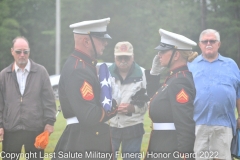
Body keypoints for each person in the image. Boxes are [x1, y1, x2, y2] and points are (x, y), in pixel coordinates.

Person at [52, 18, 118, 160]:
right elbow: (90, 116)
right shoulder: (79, 70)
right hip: (84, 144)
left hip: (86, 139)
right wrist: (112, 106)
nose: (105, 43)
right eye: (101, 39)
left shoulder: (84, 66)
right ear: (86, 41)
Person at [145, 29, 198, 160]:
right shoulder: (174, 78)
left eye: (163, 51)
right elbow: (155, 100)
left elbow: (185, 122)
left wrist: (185, 154)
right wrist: (154, 74)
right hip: (162, 144)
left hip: (170, 148)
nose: (159, 55)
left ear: (176, 55)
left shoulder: (180, 81)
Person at [0, 36, 56, 160]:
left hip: (36, 129)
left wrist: (49, 122)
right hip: (11, 131)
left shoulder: (41, 72)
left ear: (29, 52)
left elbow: (49, 100)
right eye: (18, 51)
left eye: (25, 51)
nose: (22, 55)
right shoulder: (4, 75)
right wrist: (0, 125)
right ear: (12, 51)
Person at [188, 29, 240, 160]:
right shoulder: (190, 66)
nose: (208, 43)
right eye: (205, 41)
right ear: (200, 45)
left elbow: (238, 93)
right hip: (196, 124)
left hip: (224, 125)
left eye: (212, 41)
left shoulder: (231, 65)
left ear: (219, 44)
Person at [108, 41, 148, 160]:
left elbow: (148, 102)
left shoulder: (143, 73)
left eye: (127, 57)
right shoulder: (106, 74)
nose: (123, 60)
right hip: (110, 125)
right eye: (120, 57)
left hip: (133, 126)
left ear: (133, 57)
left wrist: (132, 108)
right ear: (114, 57)